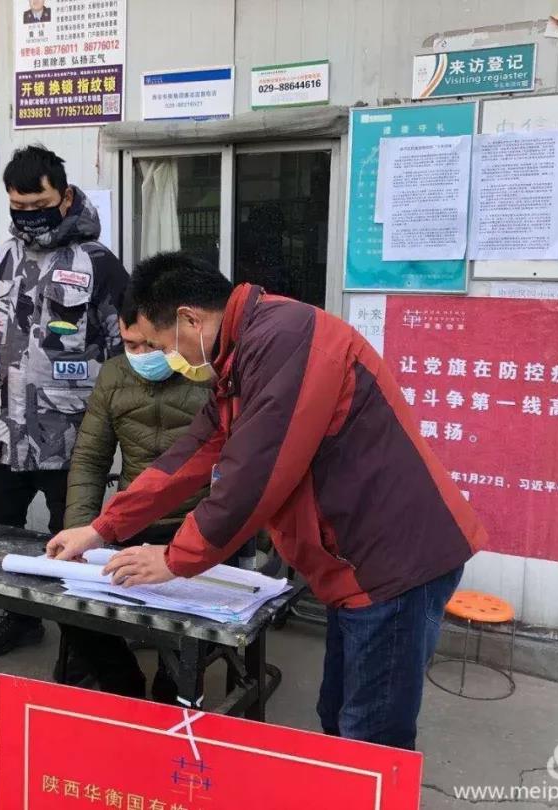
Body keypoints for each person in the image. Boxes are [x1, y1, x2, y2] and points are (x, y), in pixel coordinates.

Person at [46, 252, 487, 751]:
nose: (164, 357)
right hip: (353, 564)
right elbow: (192, 453)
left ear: (190, 319)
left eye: (162, 344)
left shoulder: (285, 341)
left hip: (394, 564)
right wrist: (102, 528)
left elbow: (252, 479)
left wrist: (174, 558)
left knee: (369, 736)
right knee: (339, 718)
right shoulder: (241, 354)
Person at [0, 145, 127, 659]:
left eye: (38, 205)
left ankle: (84, 645)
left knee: (75, 543)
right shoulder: (3, 257)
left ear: (65, 197)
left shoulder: (98, 264)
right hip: (0, 432)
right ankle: (19, 620)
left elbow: (127, 350)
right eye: (18, 207)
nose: (28, 216)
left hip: (71, 436)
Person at [58, 291, 211, 700]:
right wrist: (81, 531)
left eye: (150, 345)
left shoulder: (208, 374)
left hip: (196, 527)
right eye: (130, 345)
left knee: (187, 626)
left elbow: (234, 469)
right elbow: (90, 459)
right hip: (129, 523)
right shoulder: (113, 376)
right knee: (65, 596)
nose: (142, 355)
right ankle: (121, 683)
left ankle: (169, 696)